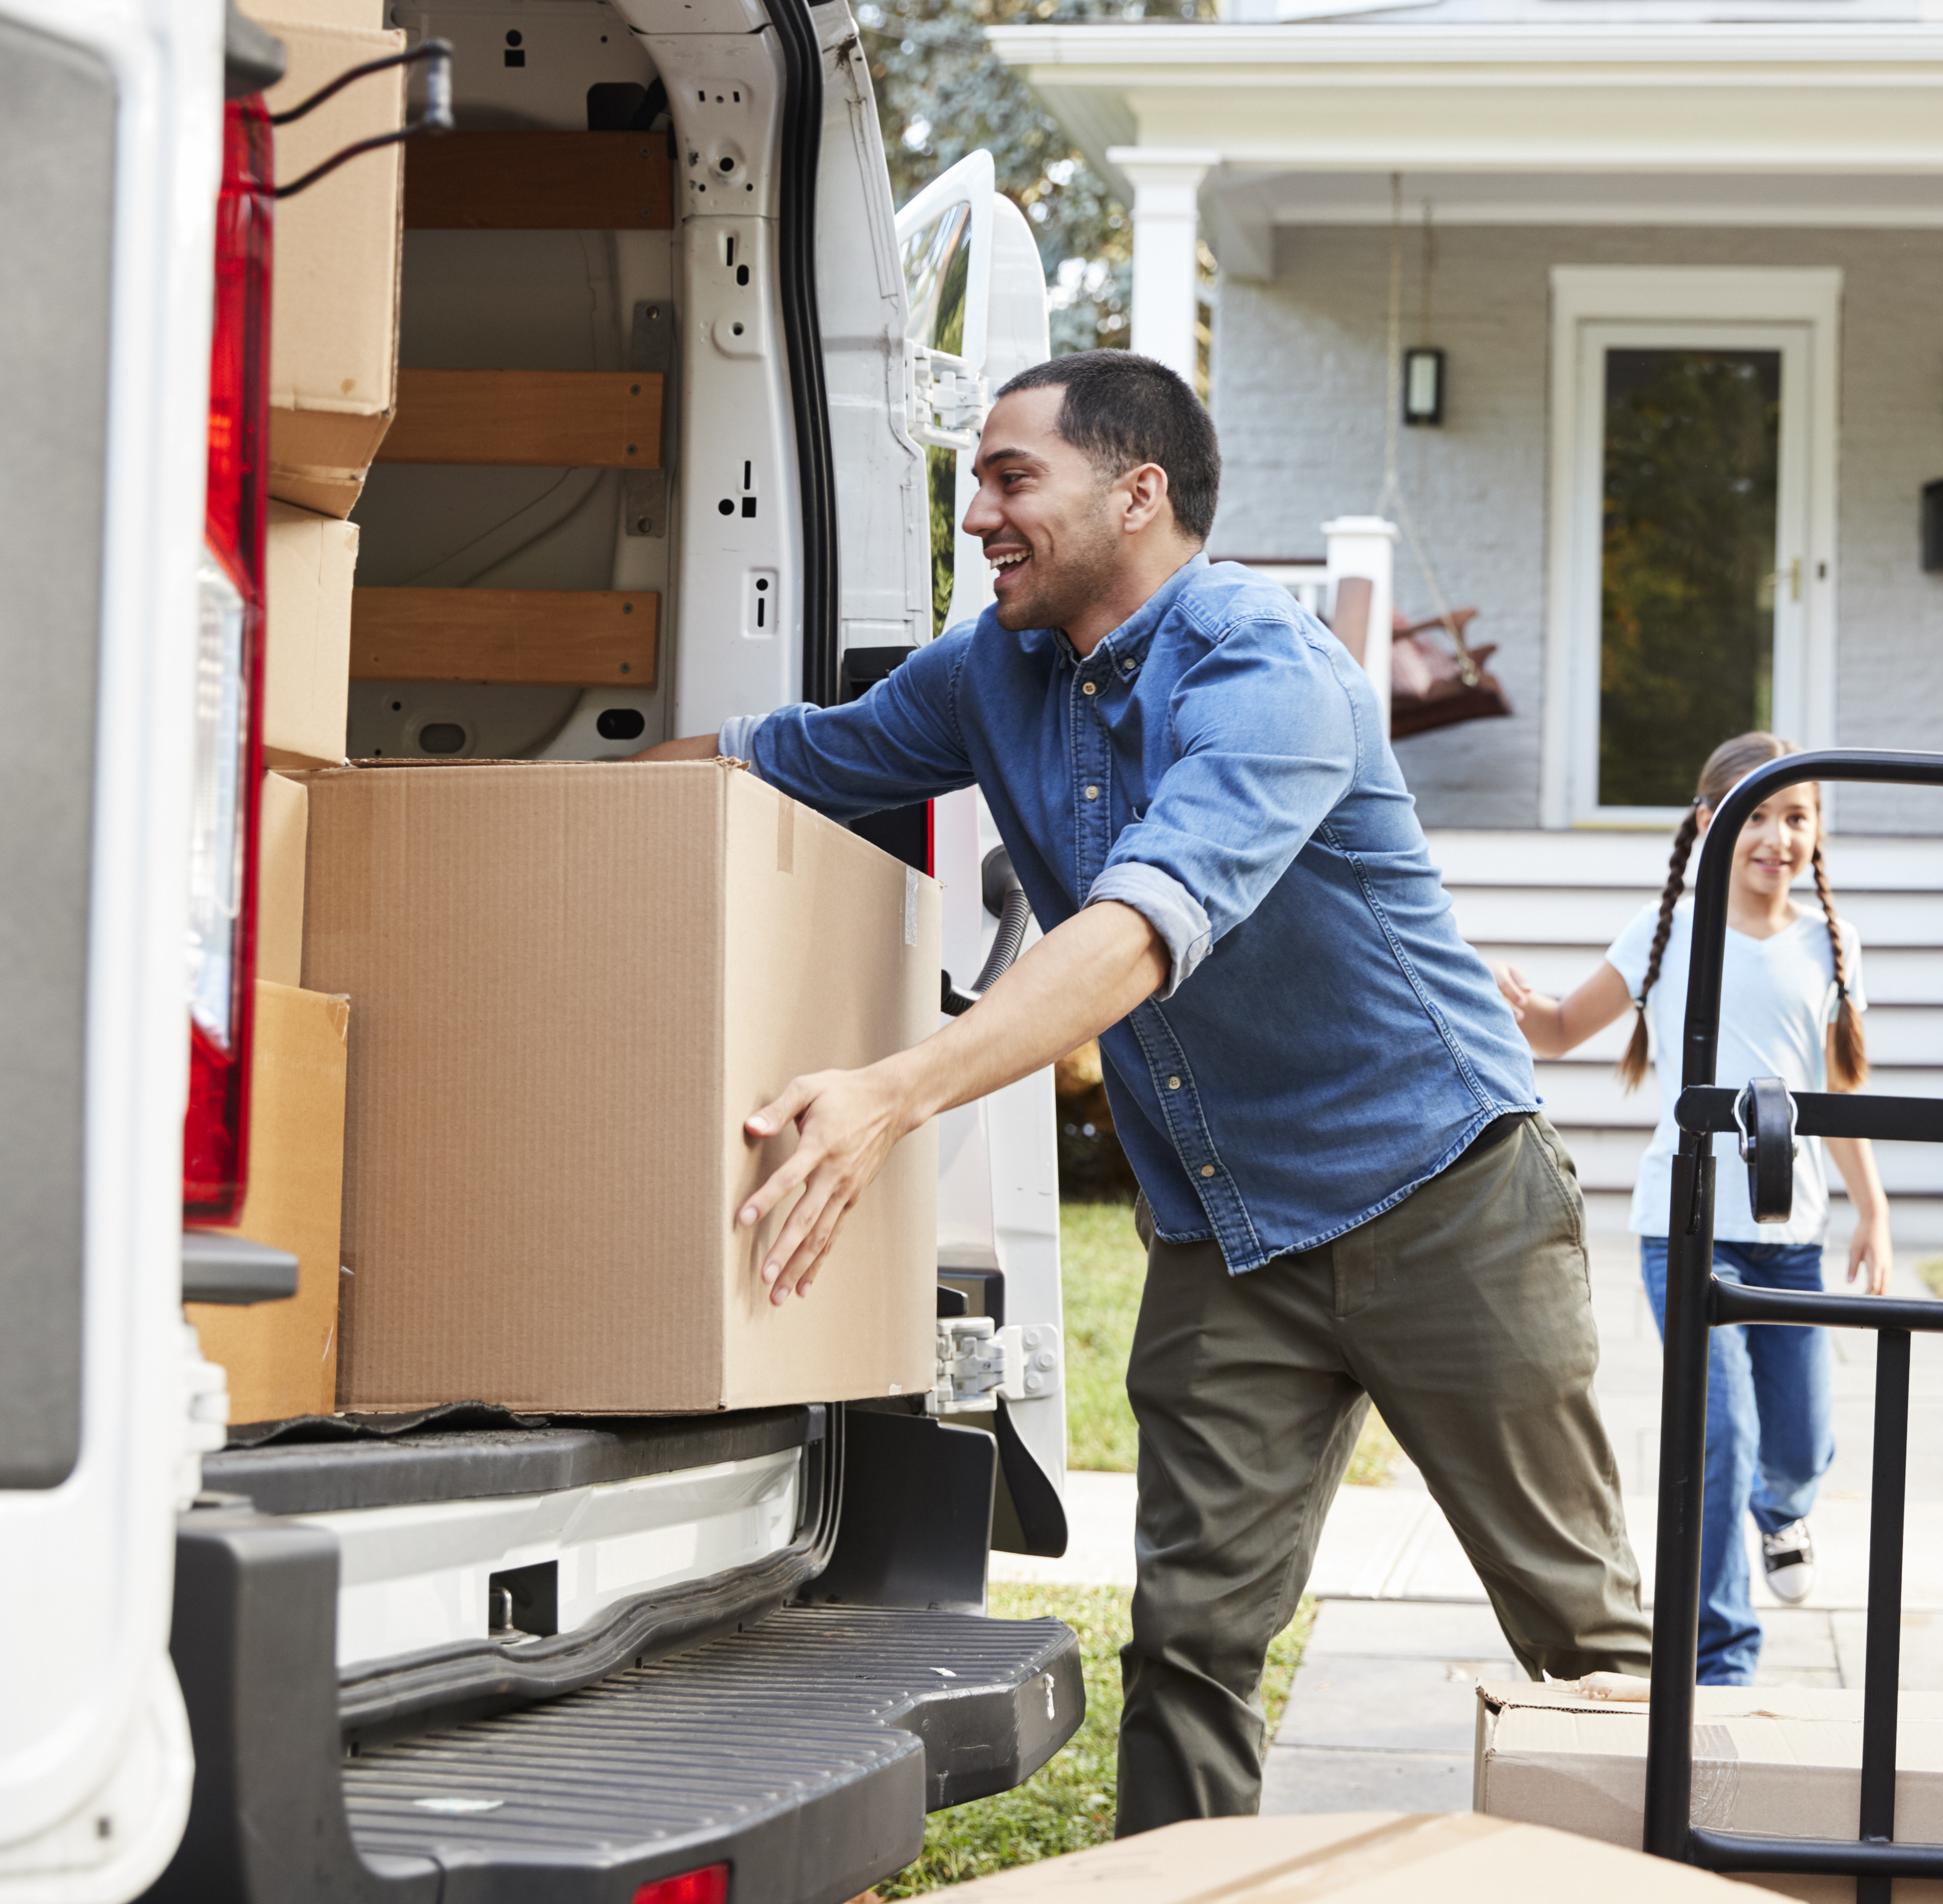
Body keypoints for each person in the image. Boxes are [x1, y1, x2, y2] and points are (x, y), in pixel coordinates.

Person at [638, 349, 1649, 1828]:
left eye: (1006, 476)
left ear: (1137, 492)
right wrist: (504, 802)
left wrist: (895, 1092)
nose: (976, 512)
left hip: (1442, 1198)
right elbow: (783, 765)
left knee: (1580, 1638)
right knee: (1188, 1644)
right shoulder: (995, 671)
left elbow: (1137, 931)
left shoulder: (1263, 664)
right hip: (1230, 1237)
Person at [1494, 732, 1892, 1684]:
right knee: (1722, 1434)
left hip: (1791, 1232)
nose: (1776, 836)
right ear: (1709, 824)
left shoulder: (1830, 942)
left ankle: (1785, 1512)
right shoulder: (1664, 931)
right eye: (1755, 815)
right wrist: (1510, 1000)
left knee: (1797, 1444)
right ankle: (1723, 1659)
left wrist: (1871, 1209)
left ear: (1817, 835)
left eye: (1796, 818)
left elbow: (1839, 1083)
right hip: (1684, 1225)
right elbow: (1557, 1028)